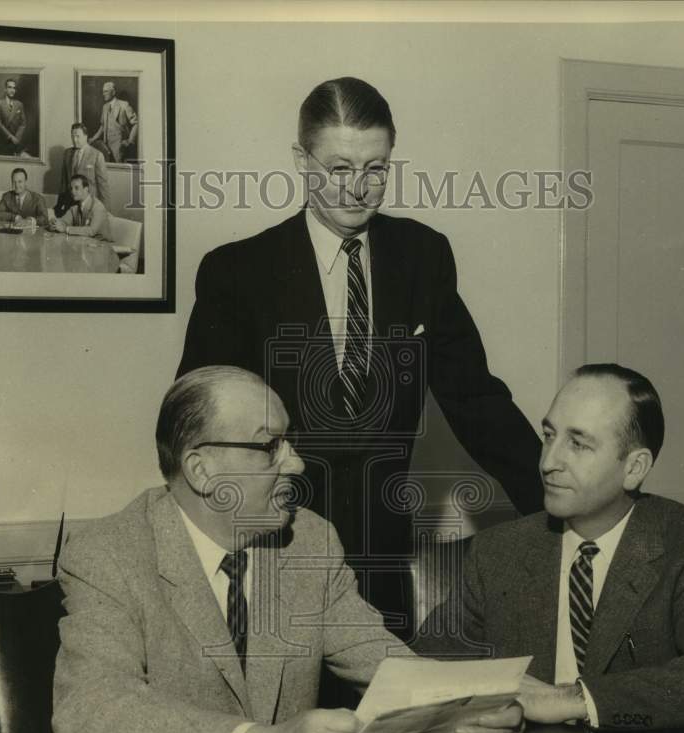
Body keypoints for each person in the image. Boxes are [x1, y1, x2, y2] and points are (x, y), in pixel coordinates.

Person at [178, 77, 543, 638]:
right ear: (301, 160)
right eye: (339, 168)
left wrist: (557, 506)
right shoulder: (237, 272)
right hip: (272, 549)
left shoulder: (423, 256)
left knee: (384, 719)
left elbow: (477, 399)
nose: (358, 190)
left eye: (376, 169)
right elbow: (192, 427)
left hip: (382, 558)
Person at [52, 367, 524, 733]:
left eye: (289, 442)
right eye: (268, 447)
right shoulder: (109, 553)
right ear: (202, 469)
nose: (295, 463)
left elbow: (386, 665)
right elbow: (92, 707)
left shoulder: (309, 541)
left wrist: (468, 716)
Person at [413, 364, 684, 730]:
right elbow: (424, 669)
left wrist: (571, 699)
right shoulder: (497, 551)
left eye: (578, 444)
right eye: (549, 436)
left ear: (634, 468)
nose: (548, 463)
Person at [60, 122, 109, 206]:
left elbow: (103, 186)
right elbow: (63, 183)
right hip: (70, 204)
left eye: (78, 136)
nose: (74, 140)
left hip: (90, 204)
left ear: (86, 136)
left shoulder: (97, 155)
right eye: (72, 136)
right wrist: (60, 204)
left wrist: (106, 212)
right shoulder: (67, 153)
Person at [91, 81, 138, 163]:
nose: (103, 94)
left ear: (113, 92)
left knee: (118, 170)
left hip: (120, 146)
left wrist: (130, 141)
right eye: (103, 91)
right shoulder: (105, 107)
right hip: (106, 146)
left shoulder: (124, 105)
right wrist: (93, 139)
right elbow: (102, 126)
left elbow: (136, 123)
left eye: (106, 91)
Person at [51, 175, 109, 240]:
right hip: (85, 244)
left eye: (76, 188)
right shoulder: (75, 206)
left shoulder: (98, 207)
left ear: (86, 189)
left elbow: (91, 231)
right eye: (71, 188)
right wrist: (55, 224)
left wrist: (66, 229)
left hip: (102, 246)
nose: (72, 191)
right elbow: (64, 221)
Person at [0, 78, 27, 156]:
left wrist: (17, 138)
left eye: (14, 88)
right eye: (9, 87)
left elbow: (23, 123)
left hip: (17, 143)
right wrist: (11, 137)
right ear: (5, 89)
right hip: (4, 142)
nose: (12, 90)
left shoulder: (19, 104)